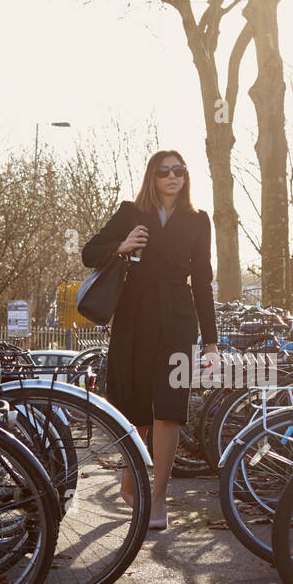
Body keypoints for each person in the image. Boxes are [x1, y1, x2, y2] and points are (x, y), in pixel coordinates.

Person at [82, 150, 219, 529]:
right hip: (134, 314)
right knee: (133, 403)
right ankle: (132, 478)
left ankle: (158, 499)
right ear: (152, 177)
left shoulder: (197, 219)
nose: (173, 177)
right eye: (164, 172)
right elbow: (88, 253)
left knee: (170, 407)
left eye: (179, 170)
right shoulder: (130, 212)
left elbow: (204, 282)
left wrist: (211, 342)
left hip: (178, 316)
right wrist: (121, 246)